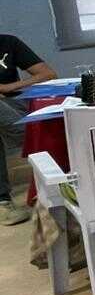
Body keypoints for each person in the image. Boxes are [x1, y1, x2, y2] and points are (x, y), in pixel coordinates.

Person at [0, 34, 57, 225]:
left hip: (14, 103)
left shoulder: (8, 42)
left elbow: (48, 74)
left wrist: (9, 87)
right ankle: (2, 201)